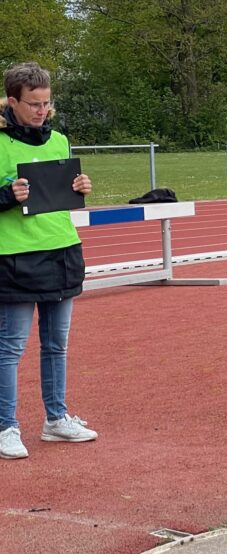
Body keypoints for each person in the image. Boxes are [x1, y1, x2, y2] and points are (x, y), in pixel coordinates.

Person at [0, 62, 97, 460]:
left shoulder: (60, 140)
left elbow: (62, 196)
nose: (42, 110)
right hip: (16, 257)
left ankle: (56, 419)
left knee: (56, 345)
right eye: (34, 104)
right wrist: (8, 195)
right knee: (10, 348)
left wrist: (81, 187)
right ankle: (6, 426)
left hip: (62, 250)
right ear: (12, 102)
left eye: (46, 103)